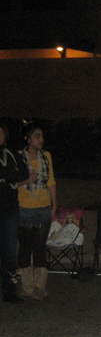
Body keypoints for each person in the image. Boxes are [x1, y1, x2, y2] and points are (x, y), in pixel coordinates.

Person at [17, 123, 57, 300]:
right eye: (36, 136)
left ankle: (40, 286)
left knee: (40, 247)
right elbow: (11, 182)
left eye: (42, 136)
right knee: (25, 247)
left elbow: (51, 181)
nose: (41, 140)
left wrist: (54, 205)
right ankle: (27, 286)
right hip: (25, 208)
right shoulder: (18, 156)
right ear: (27, 139)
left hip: (43, 207)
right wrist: (25, 179)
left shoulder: (46, 156)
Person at [0, 122, 30, 303]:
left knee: (9, 249)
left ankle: (9, 291)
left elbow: (24, 173)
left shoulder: (11, 154)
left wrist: (7, 179)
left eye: (0, 132)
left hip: (9, 208)